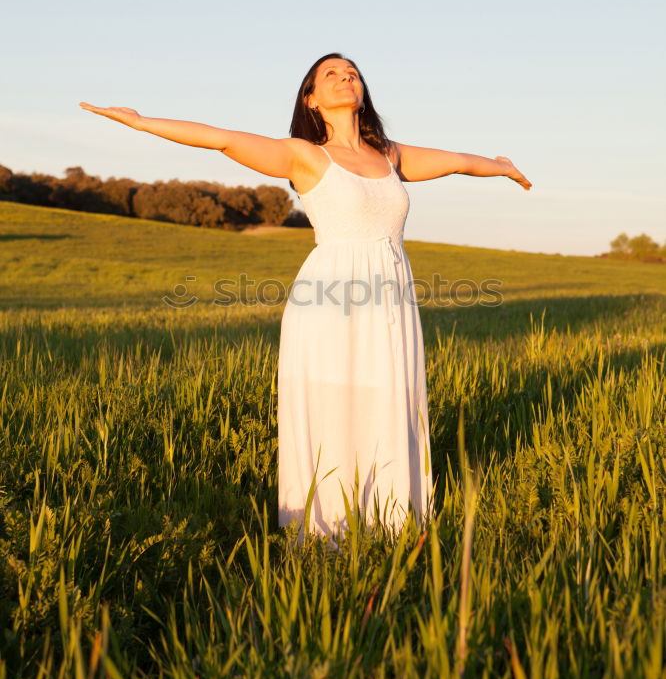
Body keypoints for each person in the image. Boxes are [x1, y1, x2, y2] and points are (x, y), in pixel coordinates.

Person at [80, 52, 531, 541]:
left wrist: (499, 166)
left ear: (363, 92)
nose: (345, 78)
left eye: (352, 73)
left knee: (390, 397)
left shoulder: (389, 155)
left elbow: (457, 163)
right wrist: (142, 122)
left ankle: (390, 522)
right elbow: (222, 138)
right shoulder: (305, 155)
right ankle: (326, 532)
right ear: (311, 99)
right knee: (335, 402)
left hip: (391, 293)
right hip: (331, 295)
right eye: (330, 74)